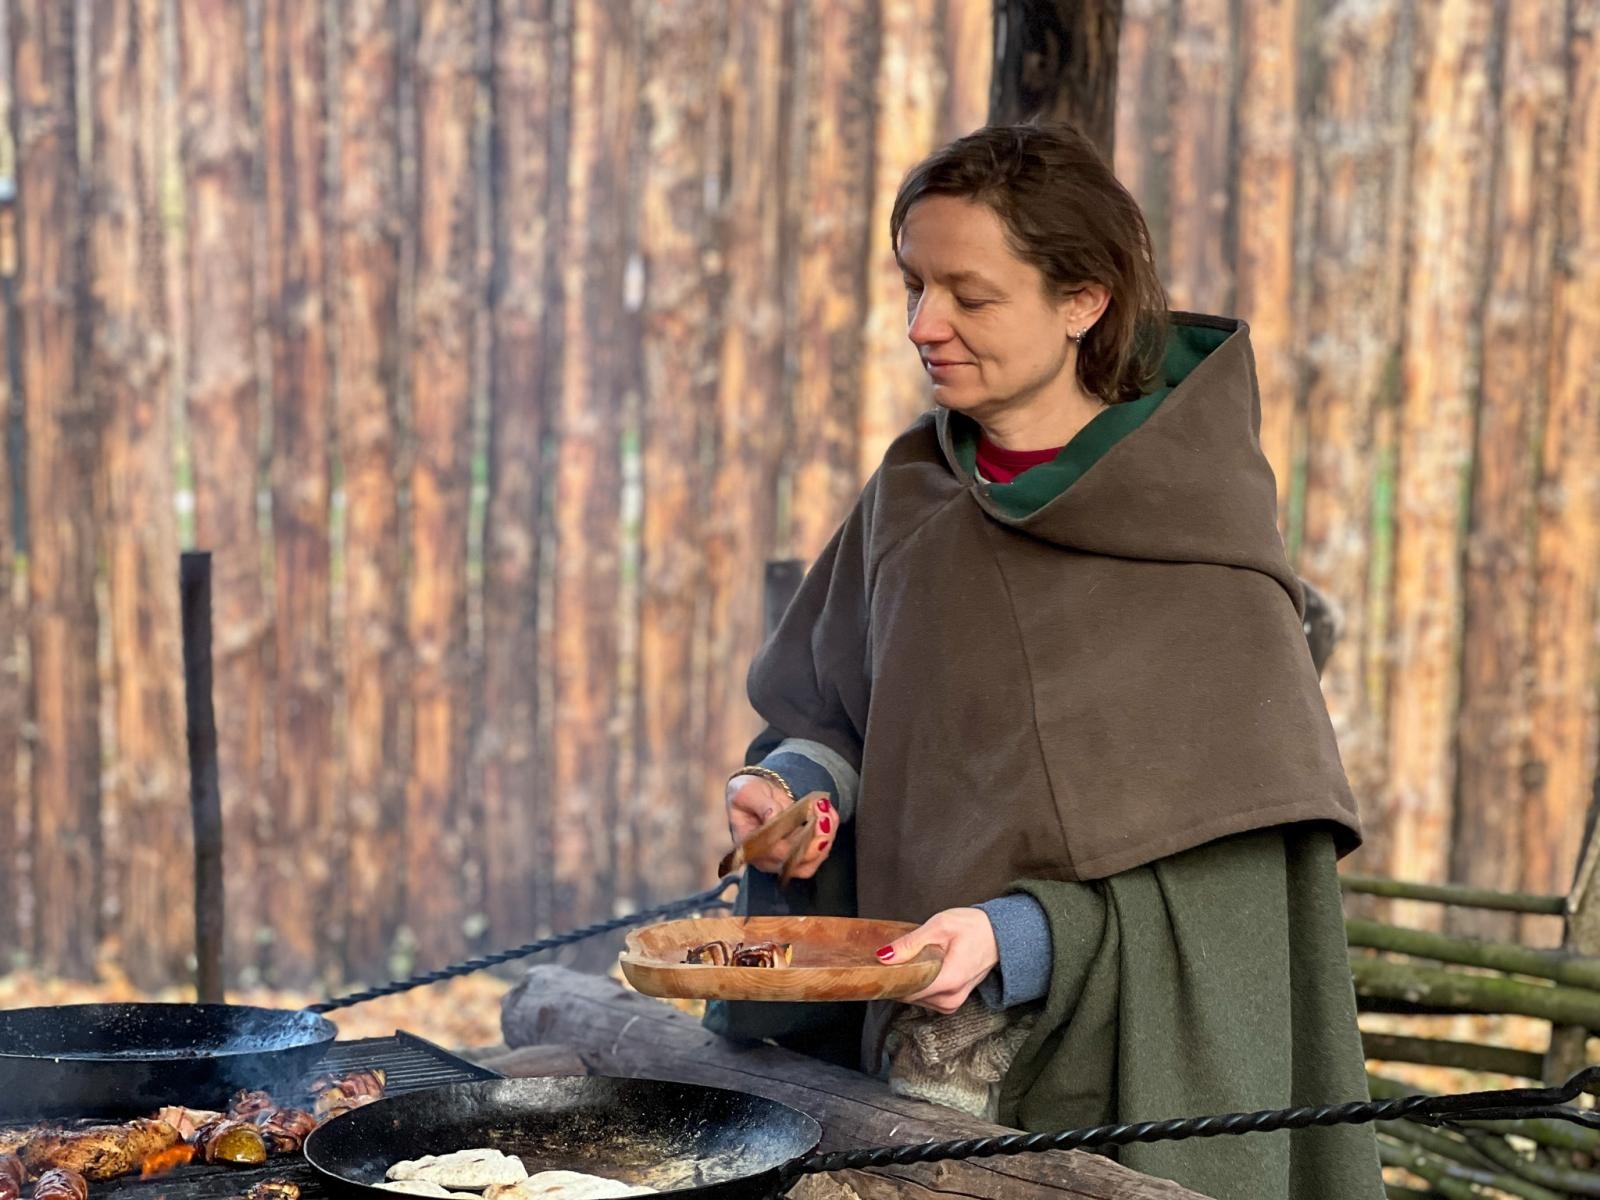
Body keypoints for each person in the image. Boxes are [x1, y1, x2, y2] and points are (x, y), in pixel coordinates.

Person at [706, 121, 1385, 1200]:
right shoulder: (911, 500)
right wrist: (794, 793)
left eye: (970, 298)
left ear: (1082, 302)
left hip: (1117, 1100)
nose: (924, 326)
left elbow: (1232, 896)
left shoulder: (1200, 553)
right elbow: (838, 721)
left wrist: (1015, 935)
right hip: (907, 1072)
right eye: (914, 285)